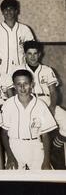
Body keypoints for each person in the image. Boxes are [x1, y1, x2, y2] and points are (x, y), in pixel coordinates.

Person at [22, 40, 66, 169]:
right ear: (25, 54)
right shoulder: (20, 69)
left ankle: (56, 145)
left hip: (46, 101)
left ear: (40, 54)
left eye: (35, 53)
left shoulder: (47, 70)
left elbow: (53, 91)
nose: (32, 56)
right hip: (30, 103)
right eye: (29, 53)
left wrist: (52, 107)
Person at [1, 69, 57, 170]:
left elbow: (45, 136)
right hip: (15, 146)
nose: (22, 87)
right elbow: (4, 134)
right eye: (19, 84)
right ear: (14, 86)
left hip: (35, 146)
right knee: (12, 181)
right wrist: (9, 156)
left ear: (32, 84)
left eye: (26, 83)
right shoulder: (8, 104)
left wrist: (46, 160)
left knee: (44, 177)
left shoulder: (40, 105)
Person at [0, 0, 34, 75]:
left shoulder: (25, 29)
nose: (8, 12)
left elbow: (31, 51)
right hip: (1, 70)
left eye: (11, 9)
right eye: (5, 10)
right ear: (2, 12)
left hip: (21, 69)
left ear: (16, 11)